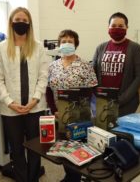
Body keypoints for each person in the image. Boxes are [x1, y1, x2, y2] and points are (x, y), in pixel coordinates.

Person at [0, 7, 50, 182]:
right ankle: (22, 178)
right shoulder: (2, 48)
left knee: (35, 147)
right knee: (16, 148)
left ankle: (32, 178)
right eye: (18, 20)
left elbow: (43, 76)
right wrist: (9, 102)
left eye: (25, 21)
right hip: (11, 110)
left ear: (29, 24)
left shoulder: (38, 47)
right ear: (11, 22)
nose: (21, 23)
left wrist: (34, 100)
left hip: (35, 107)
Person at [46, 29, 98, 182]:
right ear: (59, 44)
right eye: (63, 41)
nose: (67, 44)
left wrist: (77, 110)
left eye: (70, 41)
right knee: (64, 147)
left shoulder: (85, 66)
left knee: (79, 147)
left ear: (76, 44)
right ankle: (70, 176)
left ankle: (78, 177)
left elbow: (91, 91)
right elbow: (48, 91)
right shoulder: (53, 66)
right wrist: (55, 110)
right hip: (60, 115)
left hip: (80, 116)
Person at [93, 12, 140, 118]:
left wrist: (122, 99)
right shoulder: (100, 48)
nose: (117, 28)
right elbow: (92, 74)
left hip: (126, 104)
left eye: (121, 26)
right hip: (103, 102)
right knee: (104, 133)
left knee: (122, 133)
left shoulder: (135, 48)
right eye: (113, 26)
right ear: (108, 27)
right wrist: (99, 95)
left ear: (127, 27)